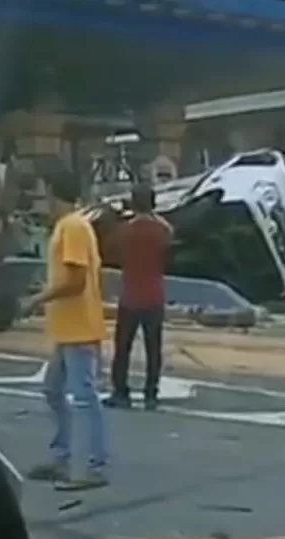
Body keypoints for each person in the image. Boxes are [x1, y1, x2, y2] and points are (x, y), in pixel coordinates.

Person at [20, 166, 109, 490]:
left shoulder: (72, 227)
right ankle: (63, 456)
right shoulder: (70, 225)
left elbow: (75, 281)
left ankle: (92, 468)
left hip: (79, 329)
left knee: (84, 398)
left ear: (54, 193)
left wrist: (36, 300)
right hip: (68, 329)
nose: (40, 201)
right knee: (53, 390)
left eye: (43, 193)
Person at [104, 182, 172, 411]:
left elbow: (110, 249)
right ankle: (151, 394)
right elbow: (170, 242)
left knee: (123, 346)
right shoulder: (162, 229)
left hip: (130, 296)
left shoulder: (125, 230)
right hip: (154, 296)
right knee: (154, 348)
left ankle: (121, 392)